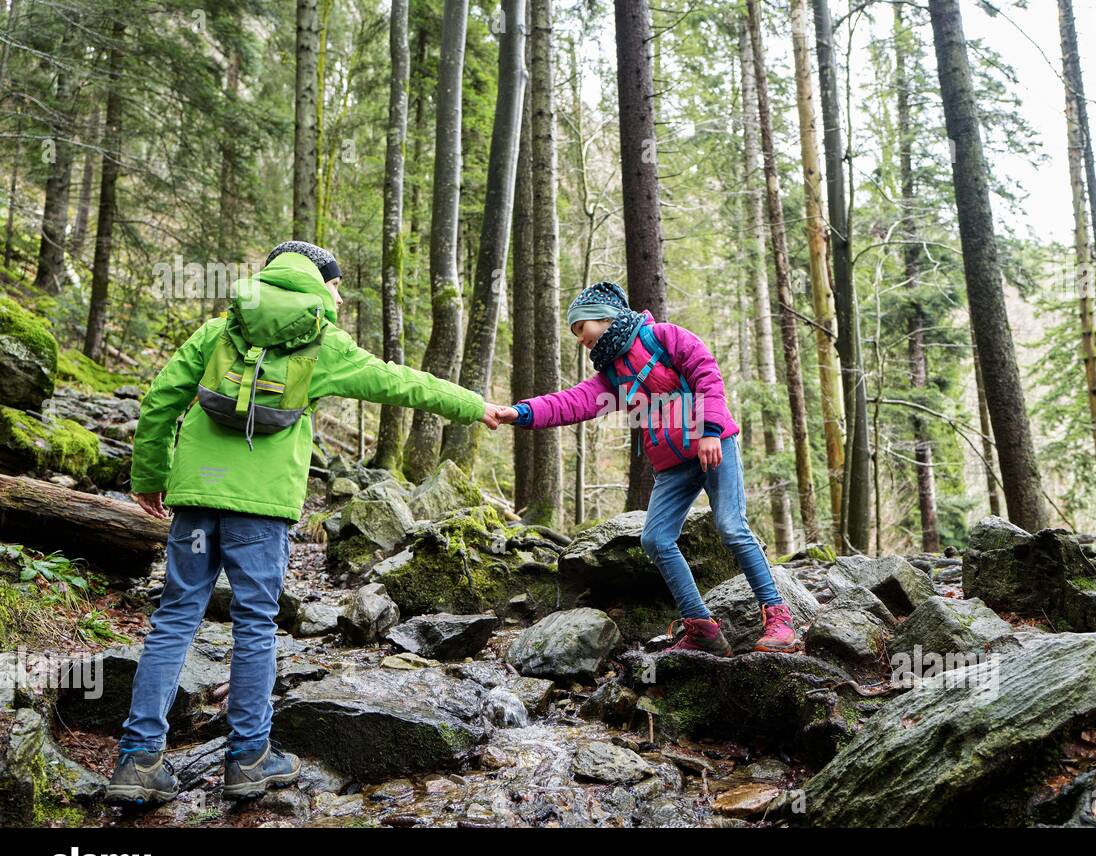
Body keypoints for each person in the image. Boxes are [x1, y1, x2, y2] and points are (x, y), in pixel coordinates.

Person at [108, 241, 505, 806]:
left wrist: (149, 474)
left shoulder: (219, 330)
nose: (339, 293)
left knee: (175, 617)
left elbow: (160, 401)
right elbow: (400, 381)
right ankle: (248, 759)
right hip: (262, 510)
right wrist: (474, 405)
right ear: (317, 280)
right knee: (254, 624)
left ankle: (137, 761)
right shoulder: (323, 343)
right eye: (335, 282)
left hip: (196, 499)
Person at [493, 280, 798, 658]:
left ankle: (779, 618)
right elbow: (568, 403)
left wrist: (710, 431)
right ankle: (701, 627)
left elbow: (707, 375)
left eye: (580, 328)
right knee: (655, 539)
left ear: (602, 319)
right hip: (673, 466)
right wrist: (518, 413)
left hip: (715, 445)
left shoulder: (664, 337)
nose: (579, 339)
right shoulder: (613, 378)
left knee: (731, 527)